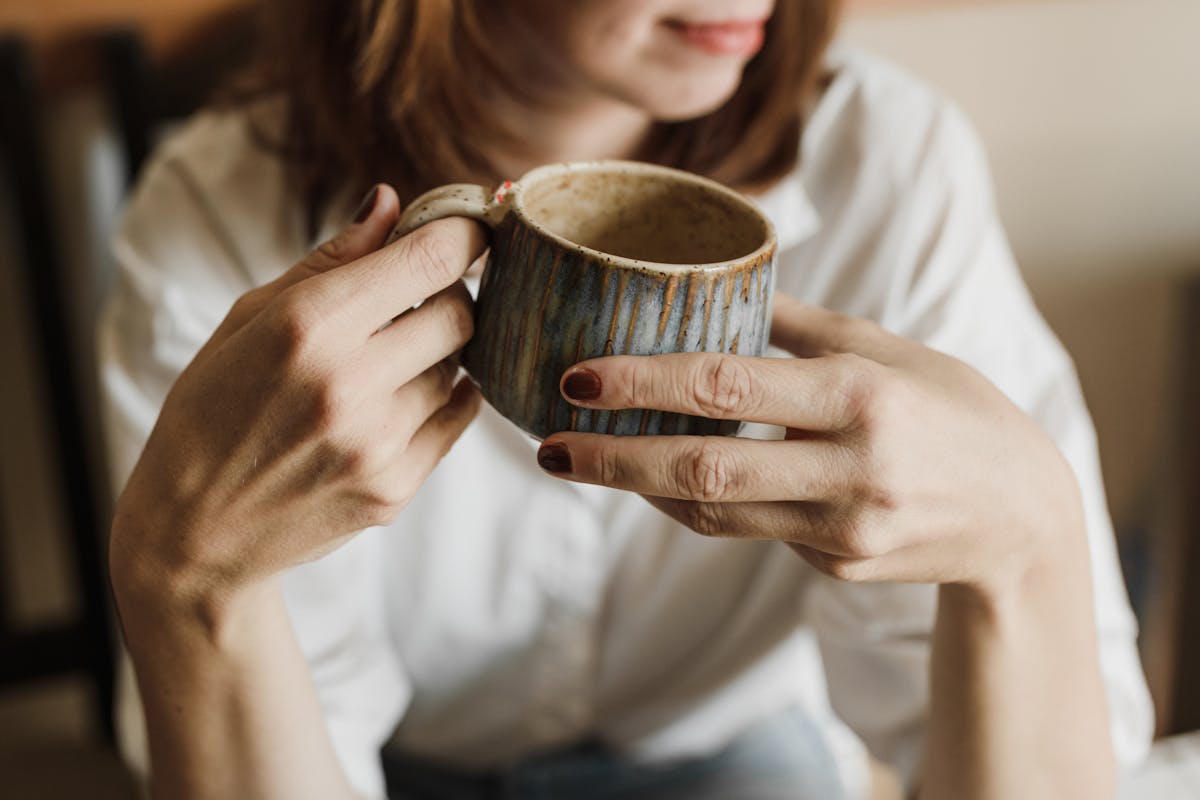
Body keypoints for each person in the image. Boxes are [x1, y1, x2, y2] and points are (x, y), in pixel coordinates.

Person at [99, 1, 1153, 798]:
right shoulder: (216, 230)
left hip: (735, 751)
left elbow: (1061, 764)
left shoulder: (888, 169)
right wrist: (187, 590)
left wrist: (1029, 542)